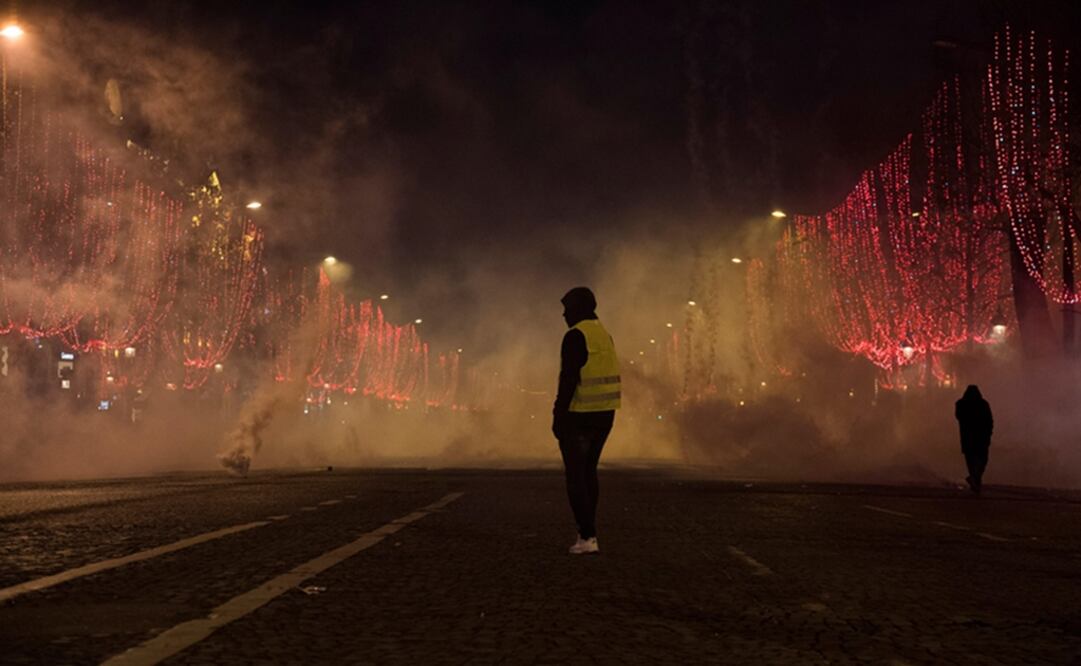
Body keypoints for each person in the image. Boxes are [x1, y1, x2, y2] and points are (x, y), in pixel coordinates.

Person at [552, 287, 620, 554]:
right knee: (589, 471)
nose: (564, 315)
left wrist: (558, 414)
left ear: (579, 309)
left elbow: (569, 379)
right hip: (605, 414)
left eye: (567, 309)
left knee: (576, 476)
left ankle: (587, 536)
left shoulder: (575, 336)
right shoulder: (605, 335)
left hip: (579, 415)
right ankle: (588, 532)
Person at [955, 384, 993, 494]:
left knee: (971, 461)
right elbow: (989, 420)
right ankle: (976, 480)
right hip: (981, 437)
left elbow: (959, 417)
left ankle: (975, 480)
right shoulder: (983, 404)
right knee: (982, 460)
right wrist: (989, 433)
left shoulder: (961, 404)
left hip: (968, 437)